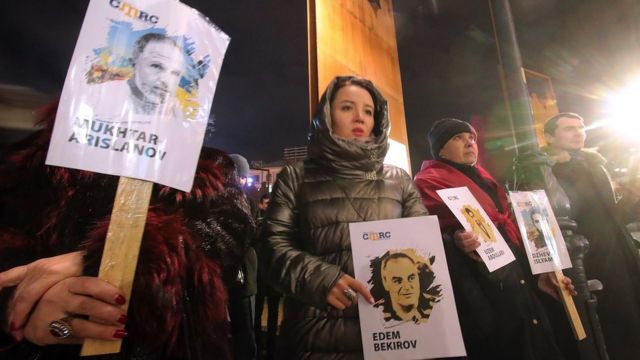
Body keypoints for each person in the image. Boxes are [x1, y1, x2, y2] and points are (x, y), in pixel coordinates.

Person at [0, 100, 254, 359]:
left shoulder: (203, 167)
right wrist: (20, 305)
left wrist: (118, 261)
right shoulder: (29, 163)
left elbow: (223, 236)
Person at [261, 75, 427, 358]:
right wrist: (320, 279)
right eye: (347, 108)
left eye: (368, 111)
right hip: (319, 334)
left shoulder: (398, 180)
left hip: (397, 333)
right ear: (327, 116)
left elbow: (424, 247)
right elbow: (271, 247)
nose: (359, 118)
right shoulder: (296, 177)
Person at [414, 118, 575, 359]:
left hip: (516, 276)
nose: (469, 142)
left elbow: (507, 223)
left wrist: (541, 270)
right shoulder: (427, 181)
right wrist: (454, 236)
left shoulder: (487, 179)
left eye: (471, 138)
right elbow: (428, 233)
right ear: (440, 149)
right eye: (458, 138)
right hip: (478, 285)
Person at [542, 112, 640, 360]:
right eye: (569, 129)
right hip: (587, 258)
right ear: (550, 136)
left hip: (618, 252)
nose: (578, 132)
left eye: (581, 127)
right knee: (610, 324)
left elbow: (612, 214)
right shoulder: (549, 170)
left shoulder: (595, 165)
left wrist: (632, 196)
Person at [91, 32, 185, 120]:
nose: (165, 80)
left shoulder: (175, 110)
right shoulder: (100, 96)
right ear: (133, 64)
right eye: (156, 66)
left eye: (175, 73)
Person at [228, 153, 259, 360]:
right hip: (232, 274)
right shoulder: (226, 200)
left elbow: (251, 236)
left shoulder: (246, 201)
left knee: (245, 328)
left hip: (242, 274)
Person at [368, 251, 441, 324]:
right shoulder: (374, 313)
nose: (407, 287)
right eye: (397, 281)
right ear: (385, 283)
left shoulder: (436, 305)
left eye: (411, 278)